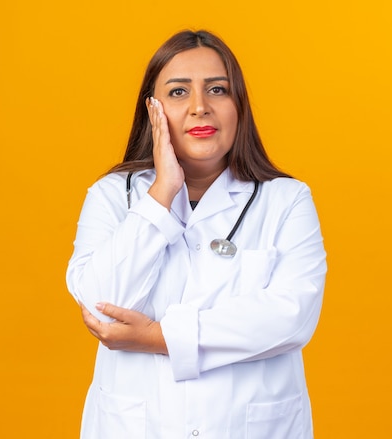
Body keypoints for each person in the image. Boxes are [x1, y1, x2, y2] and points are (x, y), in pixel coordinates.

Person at [66, 29, 327, 439]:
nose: (200, 107)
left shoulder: (287, 200)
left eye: (218, 90)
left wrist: (158, 338)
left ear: (238, 105)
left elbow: (290, 318)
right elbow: (102, 311)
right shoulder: (114, 197)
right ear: (151, 109)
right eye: (178, 92)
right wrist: (161, 192)